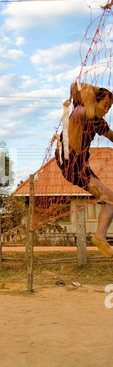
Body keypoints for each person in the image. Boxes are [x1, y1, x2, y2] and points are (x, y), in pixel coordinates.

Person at [55, 82, 113, 258]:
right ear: (95, 101)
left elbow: (111, 136)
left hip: (80, 168)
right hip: (72, 165)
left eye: (110, 107)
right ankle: (99, 236)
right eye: (105, 105)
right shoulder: (81, 112)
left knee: (110, 201)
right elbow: (75, 86)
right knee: (111, 200)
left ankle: (99, 236)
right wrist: (96, 92)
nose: (107, 110)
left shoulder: (98, 122)